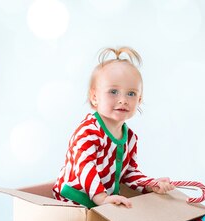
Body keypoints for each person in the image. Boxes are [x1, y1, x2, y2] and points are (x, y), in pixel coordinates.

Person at [52, 46, 175, 208]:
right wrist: (101, 197)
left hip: (103, 202)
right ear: (94, 97)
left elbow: (129, 173)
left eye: (131, 94)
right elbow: (84, 166)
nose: (123, 99)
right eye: (113, 92)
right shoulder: (89, 131)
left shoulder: (130, 138)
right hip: (73, 199)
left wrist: (150, 184)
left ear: (139, 100)